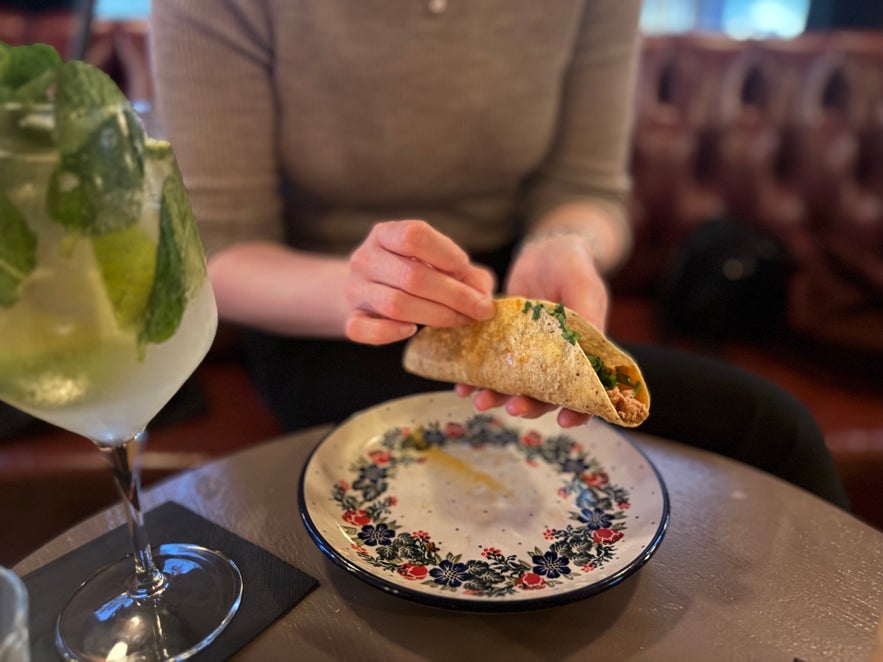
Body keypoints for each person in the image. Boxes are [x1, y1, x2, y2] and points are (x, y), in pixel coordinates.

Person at [149, 0, 848, 508]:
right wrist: (363, 290)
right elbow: (223, 251)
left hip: (510, 300)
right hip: (325, 313)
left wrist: (564, 243)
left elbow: (586, 190)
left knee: (769, 430)